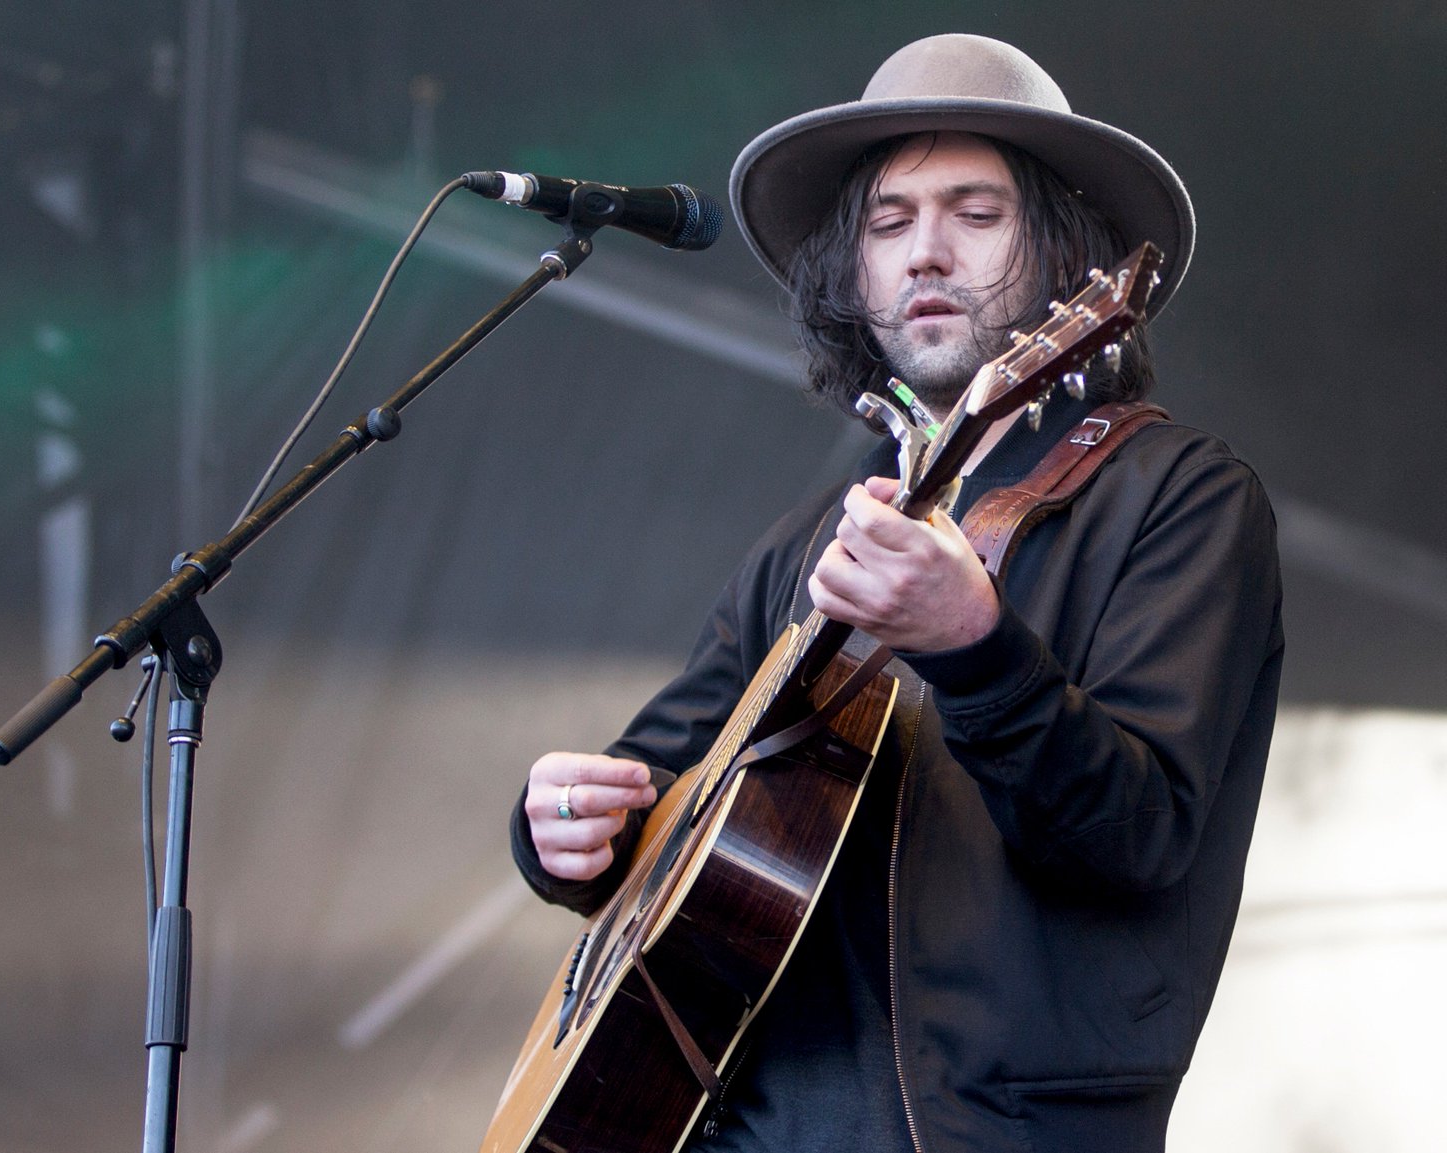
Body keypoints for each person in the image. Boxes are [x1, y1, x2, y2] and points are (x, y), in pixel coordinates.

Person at [507, 33, 1283, 1153]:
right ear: (851, 274)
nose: (924, 252)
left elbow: (1141, 836)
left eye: (974, 215)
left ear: (1068, 256)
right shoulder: (810, 542)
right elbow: (661, 791)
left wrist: (974, 650)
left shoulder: (1179, 497)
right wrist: (561, 830)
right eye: (887, 222)